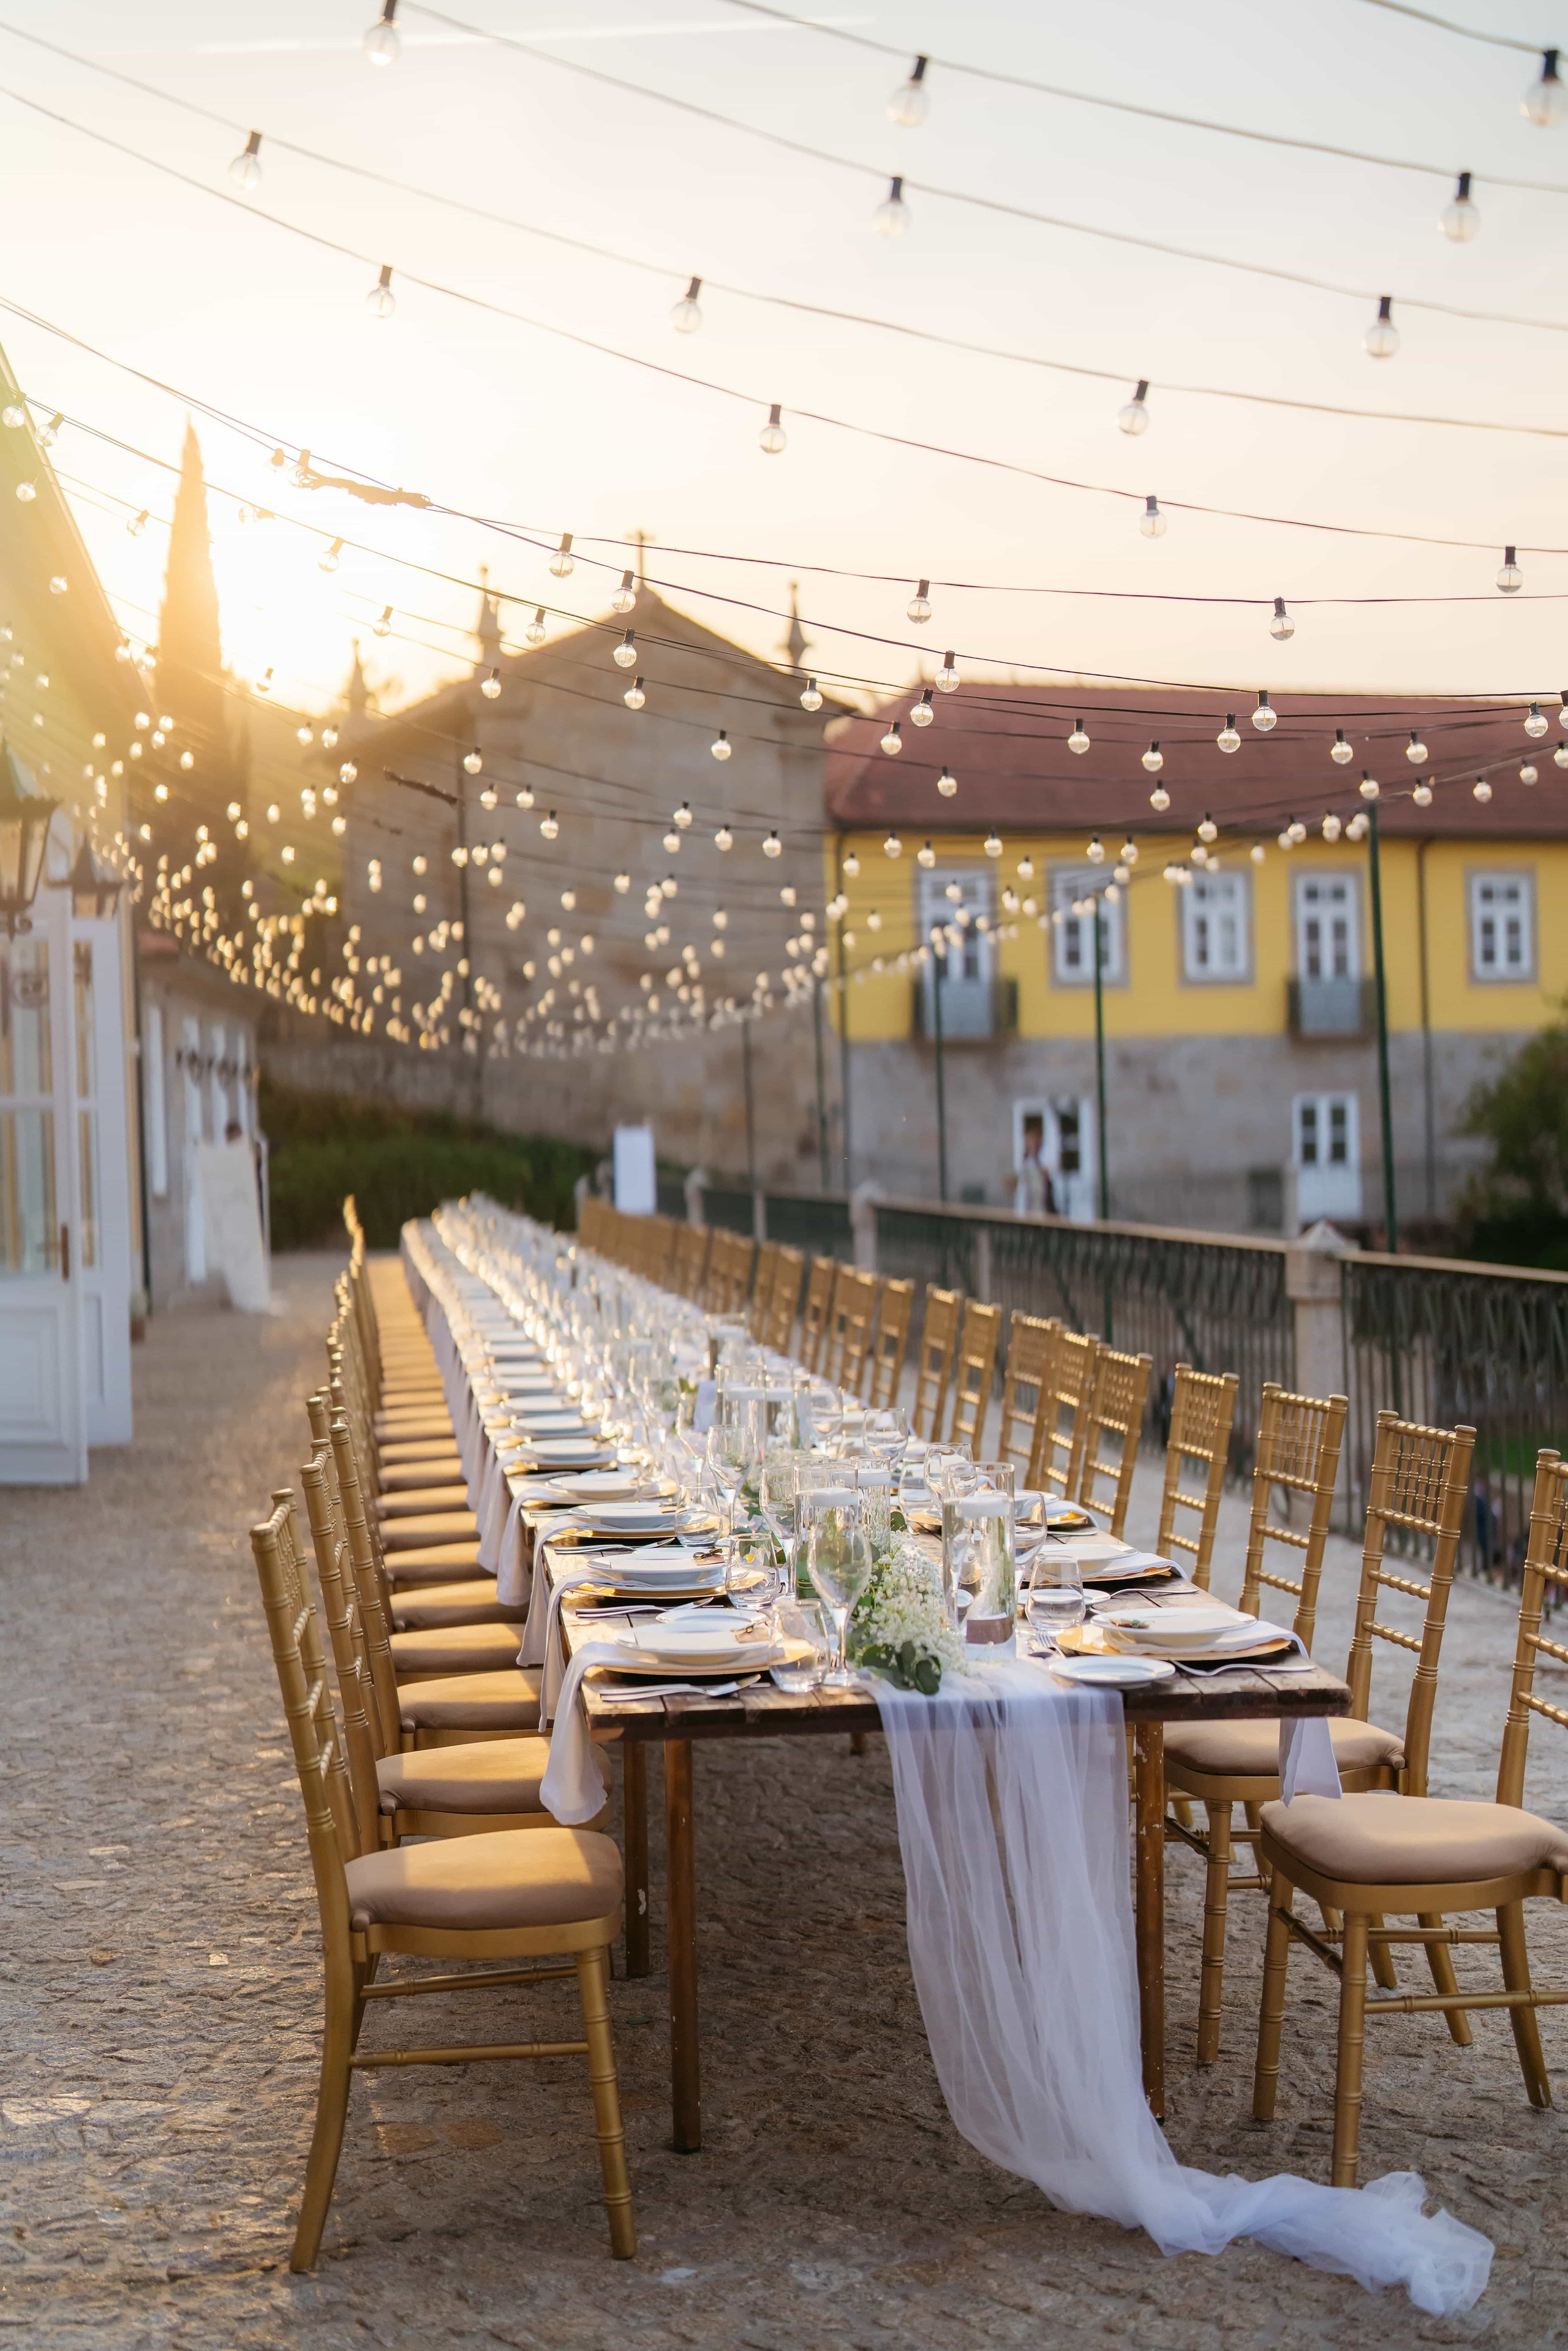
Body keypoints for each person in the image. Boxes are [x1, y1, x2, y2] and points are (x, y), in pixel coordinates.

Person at [1014, 1114, 1057, 1217]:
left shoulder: (1040, 1165)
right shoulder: (1027, 1166)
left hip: (1042, 1211)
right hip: (1032, 1213)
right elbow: (1023, 1192)